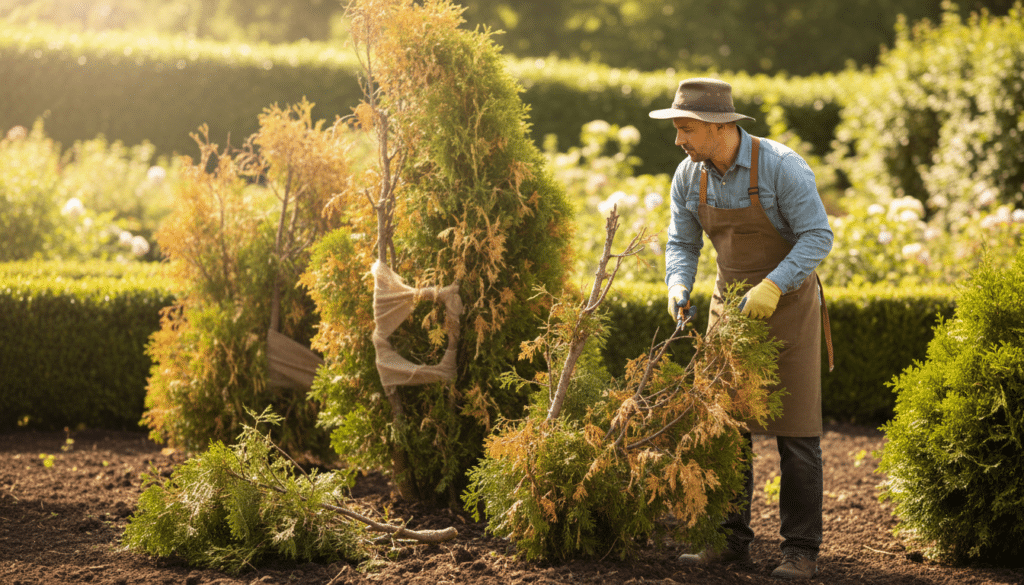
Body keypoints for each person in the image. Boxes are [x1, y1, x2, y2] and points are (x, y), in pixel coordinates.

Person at [649, 77, 834, 580]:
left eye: (685, 128)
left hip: (789, 307)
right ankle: (729, 541)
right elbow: (682, 244)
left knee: (797, 434)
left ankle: (801, 550)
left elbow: (819, 236)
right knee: (726, 428)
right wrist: (677, 287)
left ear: (716, 127)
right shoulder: (689, 175)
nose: (679, 140)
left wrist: (774, 285)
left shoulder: (782, 167)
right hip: (729, 309)